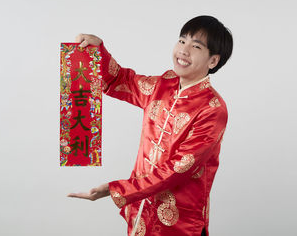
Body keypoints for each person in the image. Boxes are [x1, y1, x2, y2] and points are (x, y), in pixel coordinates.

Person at [67, 15, 233, 236]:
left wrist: (116, 189)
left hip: (179, 222)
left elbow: (178, 169)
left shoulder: (212, 109)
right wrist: (99, 50)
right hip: (141, 212)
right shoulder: (162, 85)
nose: (184, 50)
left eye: (195, 46)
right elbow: (120, 81)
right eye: (182, 41)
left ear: (213, 61)